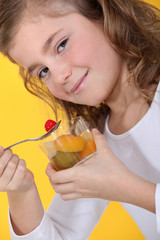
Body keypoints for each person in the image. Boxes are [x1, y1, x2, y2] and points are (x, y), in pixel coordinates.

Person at [0, 0, 160, 239]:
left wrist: (125, 188)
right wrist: (20, 189)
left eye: (61, 45)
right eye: (43, 72)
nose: (60, 76)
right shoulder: (93, 144)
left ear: (100, 12)